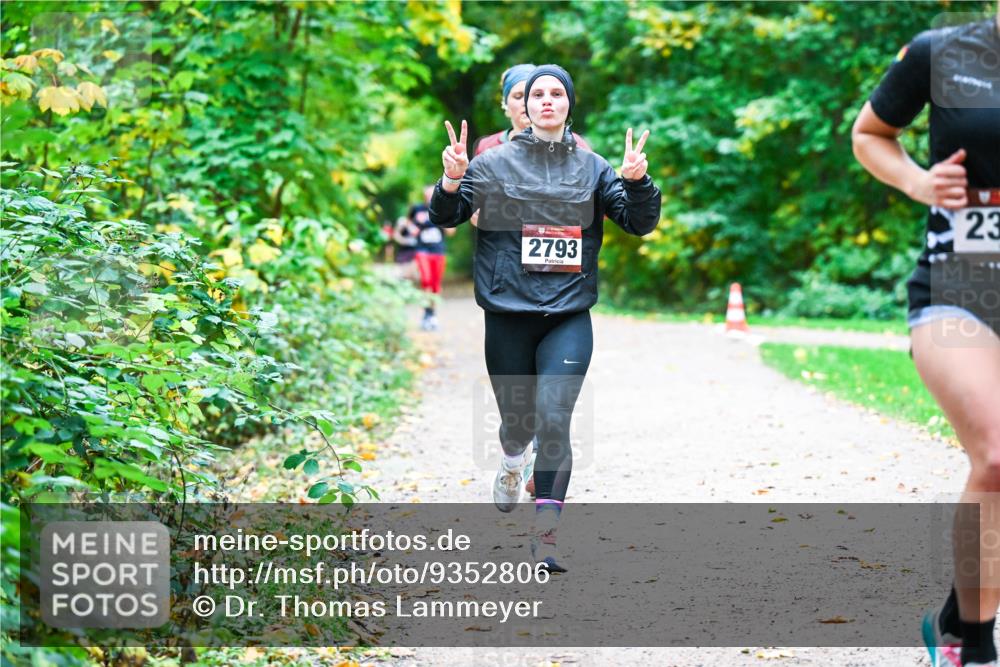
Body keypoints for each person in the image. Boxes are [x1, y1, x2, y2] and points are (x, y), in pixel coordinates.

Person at [430, 64, 661, 572]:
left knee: (554, 420)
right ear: (524, 106)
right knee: (518, 424)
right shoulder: (491, 165)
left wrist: (638, 183)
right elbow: (446, 216)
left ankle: (547, 535)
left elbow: (638, 222)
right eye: (538, 94)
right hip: (508, 313)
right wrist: (451, 180)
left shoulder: (593, 167)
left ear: (569, 105)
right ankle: (513, 462)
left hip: (568, 313)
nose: (548, 101)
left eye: (558, 93)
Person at [852, 11, 999, 667]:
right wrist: (918, 181)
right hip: (956, 288)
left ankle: (955, 612)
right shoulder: (944, 51)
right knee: (997, 455)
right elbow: (870, 133)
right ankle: (975, 644)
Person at [475, 63, 595, 498]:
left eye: (550, 94)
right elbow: (466, 207)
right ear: (512, 105)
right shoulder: (491, 151)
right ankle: (514, 456)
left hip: (561, 294)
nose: (536, 104)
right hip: (510, 289)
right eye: (523, 96)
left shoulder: (575, 149)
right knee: (518, 415)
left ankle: (545, 492)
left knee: (553, 411)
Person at [410, 184, 452, 331]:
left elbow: (451, 232)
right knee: (426, 280)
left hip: (438, 250)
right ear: (424, 196)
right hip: (422, 250)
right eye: (427, 194)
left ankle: (432, 315)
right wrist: (415, 227)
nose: (429, 196)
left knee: (435, 285)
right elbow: (410, 226)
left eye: (431, 194)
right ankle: (426, 314)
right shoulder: (417, 209)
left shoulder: (443, 208)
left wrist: (443, 220)